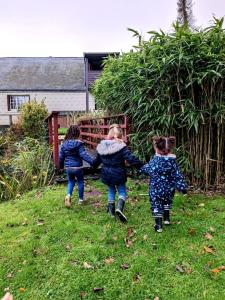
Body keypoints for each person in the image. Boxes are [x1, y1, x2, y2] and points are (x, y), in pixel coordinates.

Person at [93, 124, 143, 222]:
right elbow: (131, 159)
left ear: (109, 135)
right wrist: (141, 166)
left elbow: (97, 161)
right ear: (120, 136)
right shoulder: (121, 147)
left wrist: (93, 165)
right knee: (122, 191)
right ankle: (119, 209)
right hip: (119, 173)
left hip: (107, 174)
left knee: (111, 190)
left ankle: (111, 212)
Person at [141, 136, 187, 232]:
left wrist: (141, 169)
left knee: (156, 205)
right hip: (169, 190)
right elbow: (178, 175)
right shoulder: (173, 163)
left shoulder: (154, 161)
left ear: (156, 148)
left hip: (156, 189)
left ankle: (158, 226)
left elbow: (146, 169)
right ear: (171, 149)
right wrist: (182, 188)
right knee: (167, 202)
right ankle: (167, 219)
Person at [59, 125, 95, 208]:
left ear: (68, 133)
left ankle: (68, 196)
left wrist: (61, 167)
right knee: (80, 182)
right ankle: (81, 200)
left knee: (71, 181)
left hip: (68, 167)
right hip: (78, 167)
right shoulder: (79, 144)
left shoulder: (64, 144)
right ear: (77, 133)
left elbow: (61, 157)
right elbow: (83, 155)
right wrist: (92, 162)